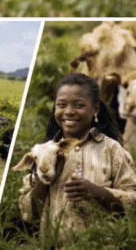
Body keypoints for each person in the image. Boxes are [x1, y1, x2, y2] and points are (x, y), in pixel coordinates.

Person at [18, 72, 136, 240]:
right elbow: (28, 214)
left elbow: (133, 199)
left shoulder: (111, 150)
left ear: (95, 109)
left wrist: (98, 192)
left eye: (79, 105)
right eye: (61, 105)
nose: (69, 111)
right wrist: (42, 181)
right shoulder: (43, 152)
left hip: (101, 245)